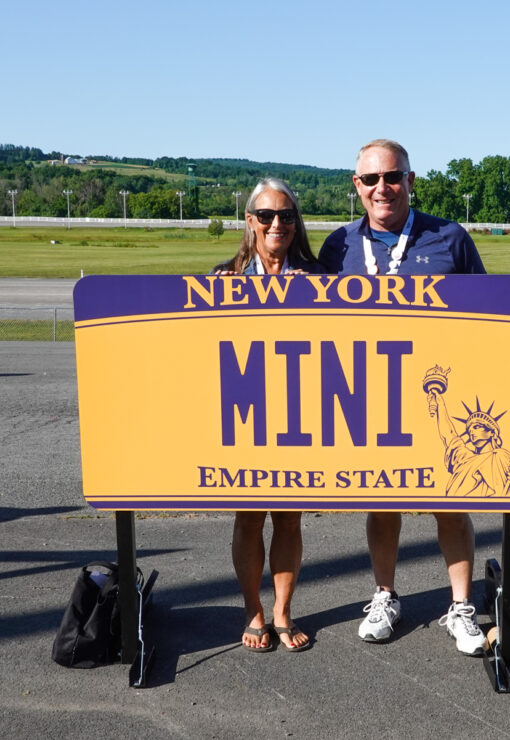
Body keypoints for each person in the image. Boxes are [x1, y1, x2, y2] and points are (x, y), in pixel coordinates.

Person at [319, 139, 487, 656]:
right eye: (371, 179)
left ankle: (461, 605)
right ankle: (385, 595)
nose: (382, 188)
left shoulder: (450, 238)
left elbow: (488, 315)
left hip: (440, 393)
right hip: (371, 399)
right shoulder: (338, 245)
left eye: (392, 177)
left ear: (410, 180)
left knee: (450, 503)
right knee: (382, 500)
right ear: (357, 185)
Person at [214, 178, 321, 652]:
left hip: (301, 413)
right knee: (249, 518)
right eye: (266, 215)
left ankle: (282, 611)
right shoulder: (225, 278)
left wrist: (316, 299)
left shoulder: (320, 276)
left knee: (290, 519)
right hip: (246, 413)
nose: (277, 223)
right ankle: (252, 610)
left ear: (296, 223)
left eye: (286, 215)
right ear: (250, 221)